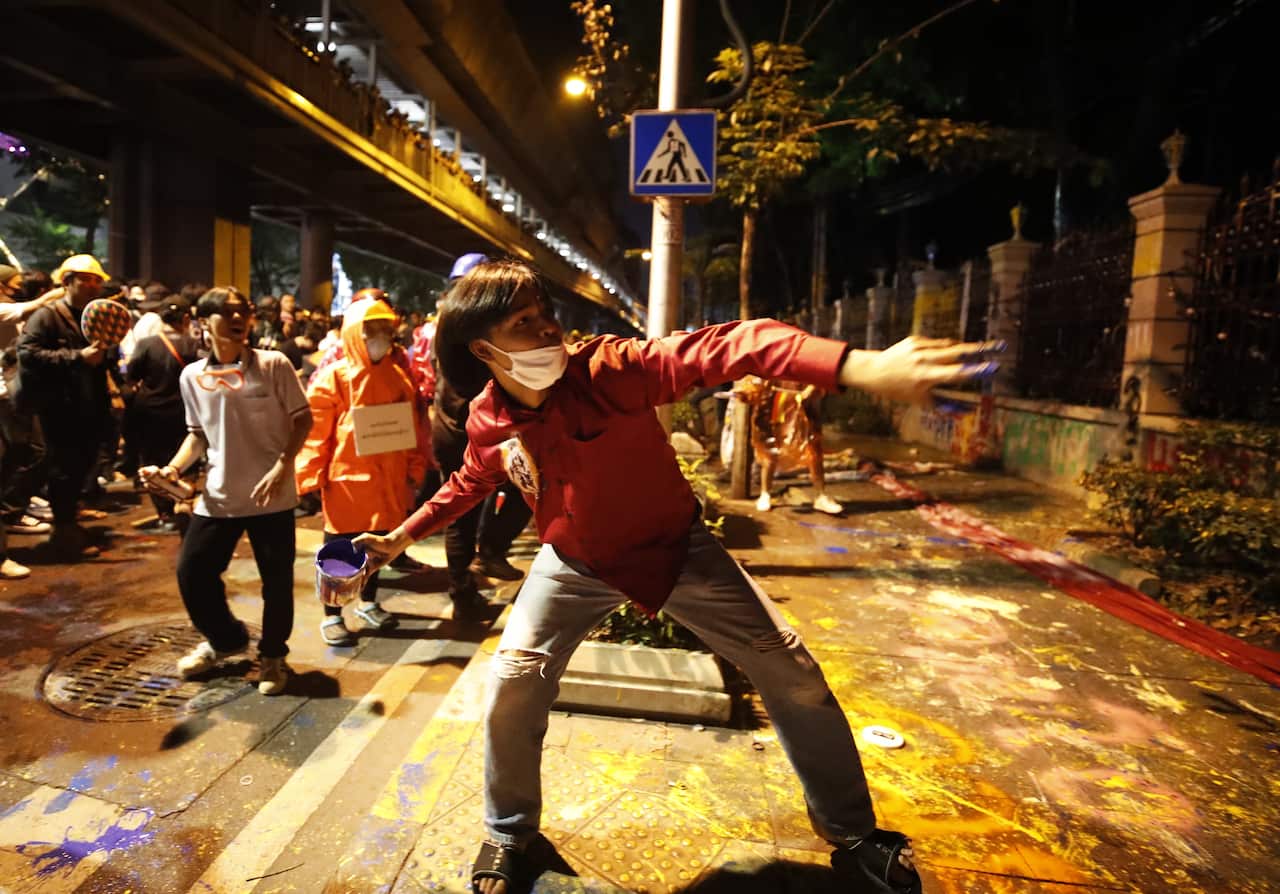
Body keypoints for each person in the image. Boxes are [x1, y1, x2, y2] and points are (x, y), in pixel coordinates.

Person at [356, 259, 1002, 894]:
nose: (549, 330)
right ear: (484, 348)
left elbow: (729, 346)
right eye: (525, 323)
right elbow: (471, 481)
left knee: (793, 674)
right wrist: (401, 536)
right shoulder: (488, 419)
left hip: (677, 549)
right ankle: (509, 832)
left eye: (546, 314)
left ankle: (855, 837)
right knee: (514, 679)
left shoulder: (610, 371)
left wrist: (859, 366)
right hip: (571, 562)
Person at [141, 287, 312, 696]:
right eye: (228, 312)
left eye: (244, 311)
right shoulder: (192, 376)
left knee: (276, 580)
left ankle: (273, 655)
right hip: (218, 494)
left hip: (273, 494)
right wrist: (172, 468)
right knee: (192, 572)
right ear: (204, 321)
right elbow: (197, 435)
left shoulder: (273, 364)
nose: (238, 318)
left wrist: (283, 464)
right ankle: (226, 640)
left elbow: (302, 420)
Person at [296, 295, 425, 646]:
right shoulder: (334, 379)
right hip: (346, 482)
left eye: (386, 328)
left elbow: (414, 428)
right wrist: (309, 475)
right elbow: (316, 432)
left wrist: (415, 468)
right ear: (355, 333)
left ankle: (368, 602)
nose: (381, 336)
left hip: (388, 481)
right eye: (372, 329)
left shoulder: (399, 378)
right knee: (338, 549)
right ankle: (332, 614)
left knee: (379, 544)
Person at [429, 254, 531, 618]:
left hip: (454, 427)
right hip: (475, 431)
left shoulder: (444, 321)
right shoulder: (478, 325)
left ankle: (483, 558)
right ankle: (465, 586)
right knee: (467, 509)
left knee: (469, 506)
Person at [15, 254, 114, 560]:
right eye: (87, 279)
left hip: (87, 407)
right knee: (63, 470)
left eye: (97, 280)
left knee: (80, 467)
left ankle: (68, 523)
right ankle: (63, 531)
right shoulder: (47, 315)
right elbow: (28, 354)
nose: (93, 285)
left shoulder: (91, 314)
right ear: (67, 280)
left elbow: (99, 359)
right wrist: (77, 357)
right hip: (58, 409)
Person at [126, 296, 200, 533]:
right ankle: (183, 502)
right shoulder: (193, 344)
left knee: (153, 463)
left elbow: (132, 375)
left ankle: (165, 514)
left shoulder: (146, 343)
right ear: (186, 318)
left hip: (150, 412)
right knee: (185, 459)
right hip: (184, 411)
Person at [736, 375, 842, 514]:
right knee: (770, 453)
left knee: (813, 452)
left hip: (803, 409)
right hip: (773, 408)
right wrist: (751, 390)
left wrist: (812, 388)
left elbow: (820, 375)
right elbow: (753, 383)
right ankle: (765, 493)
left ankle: (821, 495)